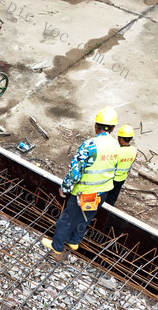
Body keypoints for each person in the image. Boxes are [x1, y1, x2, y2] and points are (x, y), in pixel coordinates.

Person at [42, 107, 120, 260]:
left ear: (96, 126)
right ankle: (74, 241)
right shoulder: (116, 146)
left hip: (84, 192)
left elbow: (75, 170)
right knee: (85, 217)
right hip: (102, 192)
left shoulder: (90, 145)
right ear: (112, 128)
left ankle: (57, 248)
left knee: (67, 219)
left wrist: (64, 188)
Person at [104, 125, 136, 207]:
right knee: (112, 197)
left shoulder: (116, 150)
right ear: (130, 139)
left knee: (104, 196)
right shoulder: (134, 150)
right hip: (122, 178)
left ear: (120, 139)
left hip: (111, 178)